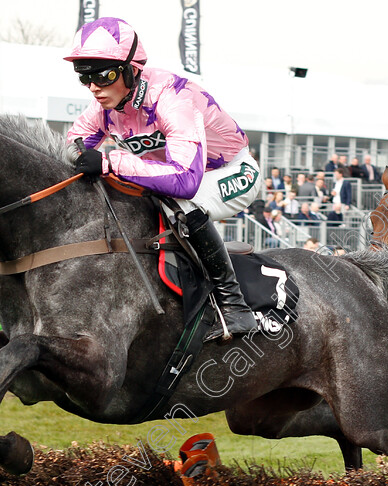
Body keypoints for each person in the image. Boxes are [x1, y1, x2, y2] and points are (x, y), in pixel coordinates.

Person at [63, 17, 261, 341]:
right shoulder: (104, 105)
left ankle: (235, 306)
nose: (94, 87)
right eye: (84, 77)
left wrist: (111, 160)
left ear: (131, 69)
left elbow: (185, 180)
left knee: (180, 202)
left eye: (103, 75)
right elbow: (70, 148)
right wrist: (80, 158)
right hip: (171, 176)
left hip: (231, 172)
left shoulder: (172, 96)